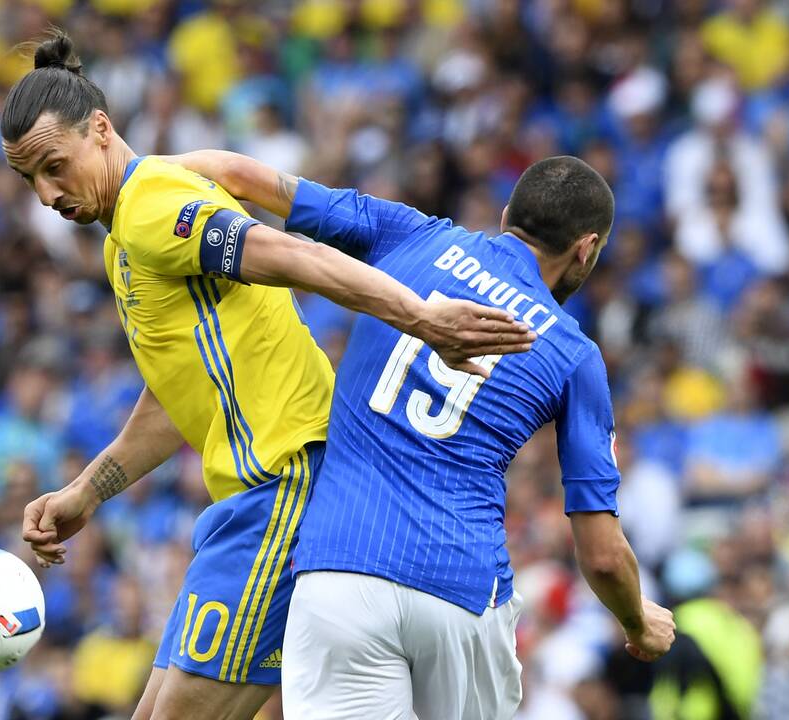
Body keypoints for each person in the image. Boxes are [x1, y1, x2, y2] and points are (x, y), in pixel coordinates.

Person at [1, 32, 532, 720]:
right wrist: (89, 490)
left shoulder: (153, 206)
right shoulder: (124, 239)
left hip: (285, 484)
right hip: (251, 504)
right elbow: (180, 393)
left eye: (54, 167)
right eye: (30, 180)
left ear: (100, 130)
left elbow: (287, 254)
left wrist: (421, 318)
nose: (46, 195)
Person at [176, 151, 677, 718]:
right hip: (461, 589)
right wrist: (639, 619)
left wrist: (127, 175)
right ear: (586, 248)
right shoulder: (573, 354)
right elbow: (604, 556)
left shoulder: (410, 233)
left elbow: (241, 176)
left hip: (341, 570)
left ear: (508, 212)